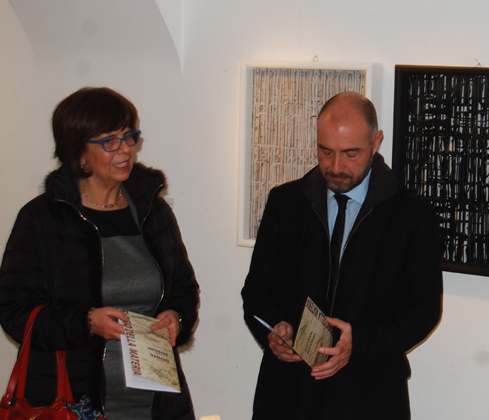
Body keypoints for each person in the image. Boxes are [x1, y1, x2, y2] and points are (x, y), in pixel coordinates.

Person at [241, 91, 443, 420]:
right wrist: (272, 332)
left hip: (369, 395)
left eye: (351, 153)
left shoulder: (412, 216)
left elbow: (423, 309)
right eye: (325, 151)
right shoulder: (285, 203)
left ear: (375, 142)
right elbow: (257, 289)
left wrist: (359, 344)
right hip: (288, 393)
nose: (335, 167)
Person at [0, 87, 199, 420]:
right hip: (73, 405)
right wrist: (86, 321)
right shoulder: (41, 218)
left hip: (156, 403)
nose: (126, 149)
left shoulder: (153, 211)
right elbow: (14, 312)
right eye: (110, 141)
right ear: (79, 152)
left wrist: (176, 316)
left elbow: (183, 288)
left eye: (129, 136)